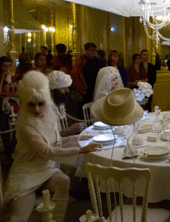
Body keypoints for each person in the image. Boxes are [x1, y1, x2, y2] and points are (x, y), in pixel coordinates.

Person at [3, 71, 101, 222]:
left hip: (47, 169)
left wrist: (77, 136)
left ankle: (57, 219)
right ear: (24, 103)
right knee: (19, 218)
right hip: (26, 173)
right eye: (31, 104)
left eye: (40, 103)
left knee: (64, 180)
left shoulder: (49, 115)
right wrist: (80, 148)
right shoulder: (25, 126)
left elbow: (55, 140)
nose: (36, 109)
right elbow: (47, 151)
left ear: (47, 101)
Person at [47, 71, 86, 137]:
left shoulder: (58, 103)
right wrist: (70, 131)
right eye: (63, 88)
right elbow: (52, 137)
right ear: (52, 90)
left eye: (67, 87)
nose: (67, 90)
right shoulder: (47, 109)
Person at [0, 56, 18, 160]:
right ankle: (8, 152)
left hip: (12, 105)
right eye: (4, 66)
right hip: (1, 106)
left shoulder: (13, 77)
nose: (7, 68)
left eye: (9, 65)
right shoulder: (2, 77)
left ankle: (12, 149)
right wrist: (2, 78)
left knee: (17, 126)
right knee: (4, 129)